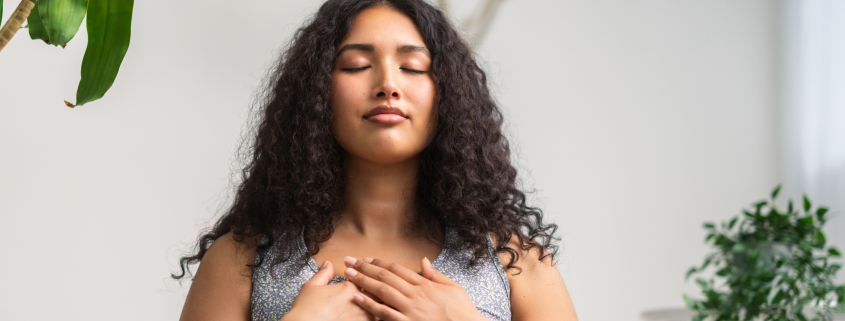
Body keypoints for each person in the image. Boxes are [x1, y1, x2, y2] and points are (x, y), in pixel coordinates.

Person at [174, 0, 577, 320]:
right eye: (357, 66)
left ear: (450, 94)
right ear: (317, 92)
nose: (388, 84)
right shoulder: (239, 260)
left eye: (413, 67)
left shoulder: (517, 263)